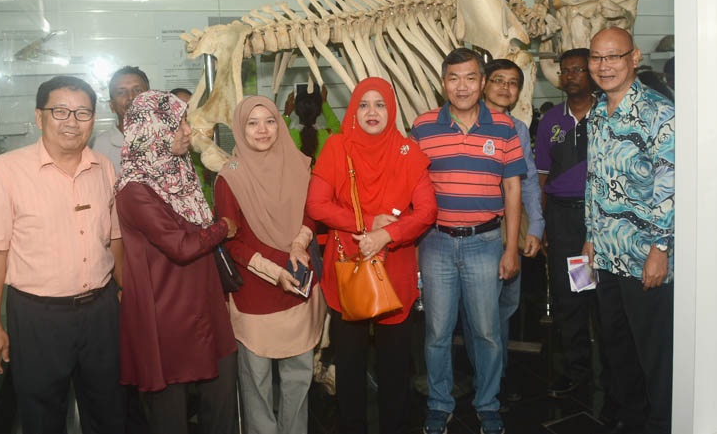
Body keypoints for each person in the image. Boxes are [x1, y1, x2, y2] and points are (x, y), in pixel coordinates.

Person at [0, 75, 124, 434]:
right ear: (39, 117)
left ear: (93, 119)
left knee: (110, 409)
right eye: (60, 111)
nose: (72, 121)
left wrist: (126, 292)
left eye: (83, 112)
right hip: (37, 317)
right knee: (41, 415)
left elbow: (114, 239)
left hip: (101, 312)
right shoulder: (4, 171)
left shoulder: (104, 167)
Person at [306, 77, 437, 434]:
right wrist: (365, 223)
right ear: (353, 109)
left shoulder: (408, 151)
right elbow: (316, 204)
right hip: (348, 268)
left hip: (394, 269)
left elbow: (427, 210)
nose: (372, 112)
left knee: (395, 366)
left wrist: (386, 234)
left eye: (380, 104)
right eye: (364, 104)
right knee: (349, 365)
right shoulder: (337, 147)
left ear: (391, 109)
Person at [410, 48, 526, 434]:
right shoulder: (423, 127)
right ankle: (439, 404)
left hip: (486, 242)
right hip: (436, 243)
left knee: (487, 332)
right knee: (437, 333)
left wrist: (511, 248)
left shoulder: (504, 128)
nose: (462, 87)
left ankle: (487, 403)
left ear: (482, 82)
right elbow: (409, 187)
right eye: (453, 78)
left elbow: (513, 189)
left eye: (470, 78)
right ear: (443, 82)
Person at [116, 90, 239, 434]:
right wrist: (223, 228)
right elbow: (181, 246)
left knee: (221, 397)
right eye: (178, 123)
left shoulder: (179, 171)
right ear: (153, 130)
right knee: (170, 413)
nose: (188, 130)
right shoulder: (135, 189)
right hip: (166, 313)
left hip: (203, 303)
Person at [215, 96, 327, 434]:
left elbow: (312, 212)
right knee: (256, 383)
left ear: (280, 123)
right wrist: (273, 271)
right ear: (240, 128)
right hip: (255, 293)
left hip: (299, 284)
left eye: (269, 121)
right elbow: (231, 241)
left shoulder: (300, 165)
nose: (262, 130)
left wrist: (299, 243)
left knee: (299, 376)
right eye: (252, 123)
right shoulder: (229, 177)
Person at [582, 28, 675, 434]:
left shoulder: (660, 112)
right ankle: (632, 420)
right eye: (596, 57)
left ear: (634, 58)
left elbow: (669, 186)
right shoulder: (597, 112)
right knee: (617, 346)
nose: (604, 66)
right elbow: (594, 181)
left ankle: (661, 423)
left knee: (653, 352)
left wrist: (659, 248)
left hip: (644, 257)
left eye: (613, 56)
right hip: (604, 254)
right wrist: (590, 237)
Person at [463, 58, 544, 403]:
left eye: (513, 83)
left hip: (509, 230)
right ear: (484, 83)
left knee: (505, 305)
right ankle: (485, 379)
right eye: (498, 80)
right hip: (475, 232)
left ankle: (498, 372)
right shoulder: (465, 122)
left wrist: (535, 226)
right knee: (478, 312)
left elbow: (528, 183)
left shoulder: (518, 129)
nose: (505, 88)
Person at [533, 48, 601, 399]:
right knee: (573, 294)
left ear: (591, 73)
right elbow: (542, 176)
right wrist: (542, 224)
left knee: (604, 299)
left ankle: (612, 375)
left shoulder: (608, 114)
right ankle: (578, 371)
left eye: (578, 70)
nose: (571, 76)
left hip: (601, 219)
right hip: (564, 221)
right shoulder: (551, 121)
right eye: (566, 71)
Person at [93, 66, 150, 174]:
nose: (131, 97)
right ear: (112, 106)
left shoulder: (169, 139)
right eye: (121, 92)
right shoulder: (100, 145)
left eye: (137, 90)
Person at [283, 82, 340, 163]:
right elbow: (336, 126)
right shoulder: (328, 135)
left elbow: (276, 133)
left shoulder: (288, 137)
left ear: (295, 110)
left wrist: (287, 113)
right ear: (320, 111)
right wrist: (324, 102)